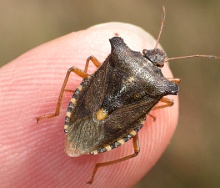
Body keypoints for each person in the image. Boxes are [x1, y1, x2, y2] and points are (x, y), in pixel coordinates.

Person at [0, 23, 179, 187]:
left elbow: (89, 62)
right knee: (135, 151)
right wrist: (150, 108)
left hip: (88, 103)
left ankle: (56, 114)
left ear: (145, 51)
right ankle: (97, 167)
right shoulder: (159, 88)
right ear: (160, 65)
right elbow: (167, 102)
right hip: (116, 127)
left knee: (74, 70)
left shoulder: (122, 57)